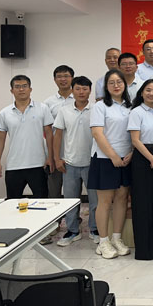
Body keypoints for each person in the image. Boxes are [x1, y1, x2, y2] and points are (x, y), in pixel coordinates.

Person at [88, 69, 132, 259]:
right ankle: (103, 241)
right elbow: (97, 133)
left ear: (125, 85)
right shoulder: (100, 106)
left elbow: (135, 132)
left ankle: (116, 238)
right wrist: (113, 156)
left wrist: (131, 153)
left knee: (122, 199)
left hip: (126, 158)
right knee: (105, 202)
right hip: (104, 158)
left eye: (119, 82)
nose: (116, 85)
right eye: (111, 82)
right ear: (106, 86)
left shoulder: (130, 106)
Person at [54, 76, 99, 247]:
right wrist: (57, 158)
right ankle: (73, 231)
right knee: (70, 200)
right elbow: (58, 135)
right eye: (78, 88)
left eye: (85, 89)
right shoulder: (64, 111)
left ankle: (95, 229)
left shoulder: (96, 109)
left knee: (95, 200)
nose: (81, 92)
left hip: (92, 162)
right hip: (70, 163)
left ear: (90, 91)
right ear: (72, 90)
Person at [0, 75, 54, 199]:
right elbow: (0, 138)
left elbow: (49, 134)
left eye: (24, 86)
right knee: (12, 202)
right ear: (12, 90)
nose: (21, 89)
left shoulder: (42, 108)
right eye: (17, 87)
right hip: (14, 165)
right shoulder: (4, 113)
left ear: (30, 89)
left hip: (38, 165)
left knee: (42, 201)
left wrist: (50, 157)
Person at [128, 79, 153, 260]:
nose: (152, 94)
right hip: (143, 159)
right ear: (142, 93)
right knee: (142, 205)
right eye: (148, 90)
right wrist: (152, 159)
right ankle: (145, 250)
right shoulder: (136, 112)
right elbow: (135, 140)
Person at [43, 64, 75, 241]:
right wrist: (51, 156)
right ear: (54, 79)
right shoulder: (48, 103)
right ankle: (54, 224)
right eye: (59, 76)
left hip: (74, 154)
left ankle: (74, 222)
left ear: (72, 78)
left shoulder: (79, 98)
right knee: (54, 191)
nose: (63, 79)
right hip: (55, 154)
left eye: (66, 76)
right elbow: (47, 132)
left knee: (73, 192)